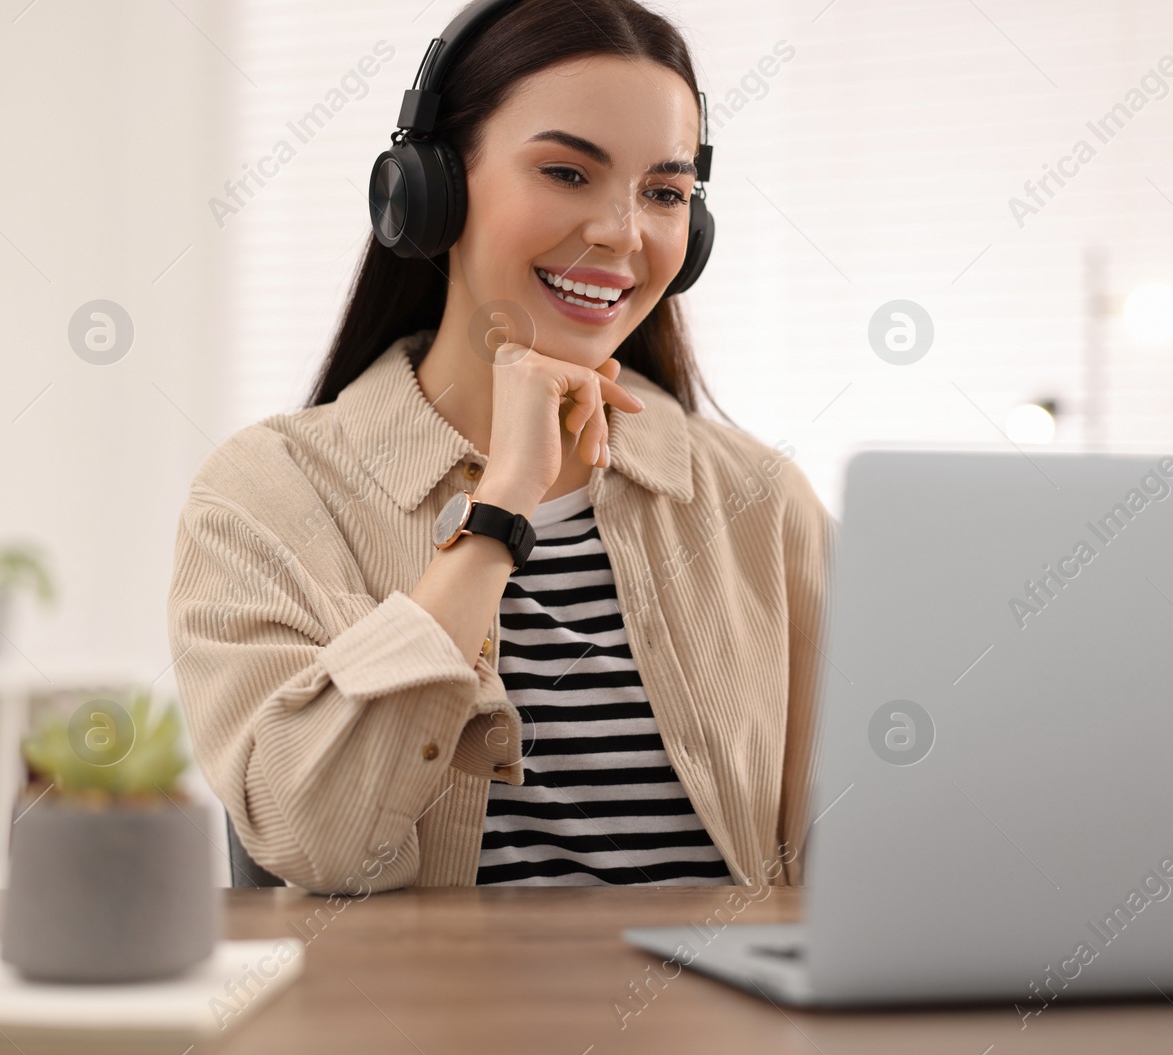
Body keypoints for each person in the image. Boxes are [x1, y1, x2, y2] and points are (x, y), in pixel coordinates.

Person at [167, 0, 832, 895]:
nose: (621, 233)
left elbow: (866, 851)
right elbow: (314, 837)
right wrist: (500, 510)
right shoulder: (268, 496)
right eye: (566, 172)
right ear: (432, 189)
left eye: (665, 193)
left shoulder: (762, 500)